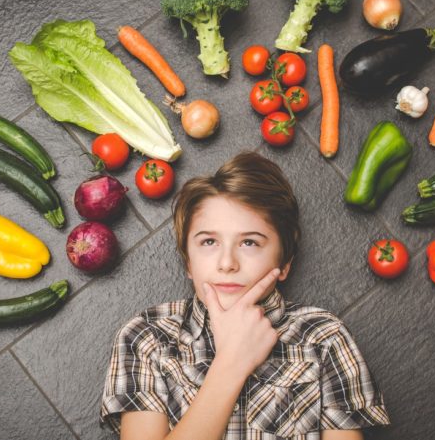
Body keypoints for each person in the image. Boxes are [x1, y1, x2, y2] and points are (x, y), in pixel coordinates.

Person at [100, 152, 389, 439]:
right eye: (209, 241)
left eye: (249, 242)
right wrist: (233, 361)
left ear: (284, 263)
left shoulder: (323, 337)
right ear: (188, 261)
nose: (227, 263)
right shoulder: (147, 337)